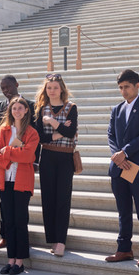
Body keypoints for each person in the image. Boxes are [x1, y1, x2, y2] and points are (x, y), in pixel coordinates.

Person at [105, 69, 139, 267]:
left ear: (137, 86)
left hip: (138, 168)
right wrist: (117, 157)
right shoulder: (116, 110)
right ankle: (124, 249)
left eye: (127, 87)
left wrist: (124, 153)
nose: (123, 91)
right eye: (120, 87)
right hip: (119, 168)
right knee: (123, 210)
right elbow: (110, 135)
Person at [0, 96, 39, 275]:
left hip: (22, 182)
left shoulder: (31, 132)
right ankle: (10, 260)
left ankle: (20, 261)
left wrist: (8, 151)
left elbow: (28, 157)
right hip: (6, 180)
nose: (17, 111)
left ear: (26, 111)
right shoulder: (4, 130)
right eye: (14, 108)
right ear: (10, 110)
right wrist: (11, 158)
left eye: (20, 108)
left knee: (20, 220)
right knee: (8, 221)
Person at [33, 73, 78, 257]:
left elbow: (71, 130)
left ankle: (61, 241)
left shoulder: (71, 107)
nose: (52, 91)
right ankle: (51, 238)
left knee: (62, 199)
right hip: (48, 157)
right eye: (49, 88)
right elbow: (40, 137)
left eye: (55, 88)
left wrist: (52, 122)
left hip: (66, 158)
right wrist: (60, 132)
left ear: (62, 89)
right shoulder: (41, 109)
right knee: (48, 198)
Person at [0, 75, 20, 250]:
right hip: (2, 162)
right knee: (4, 201)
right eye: (2, 88)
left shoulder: (29, 106)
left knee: (20, 202)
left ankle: (20, 236)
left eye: (8, 87)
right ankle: (4, 236)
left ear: (16, 85)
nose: (6, 90)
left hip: (21, 162)